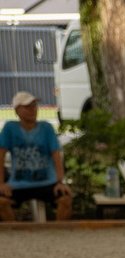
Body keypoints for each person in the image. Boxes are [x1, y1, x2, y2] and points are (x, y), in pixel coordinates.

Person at [0, 91, 72, 222]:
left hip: (47, 182)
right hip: (18, 183)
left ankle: (60, 234)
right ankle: (14, 234)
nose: (32, 110)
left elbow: (56, 155)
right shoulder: (10, 128)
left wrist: (60, 181)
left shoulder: (47, 128)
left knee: (65, 198)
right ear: (17, 110)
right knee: (2, 201)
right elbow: (1, 155)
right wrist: (1, 183)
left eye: (34, 106)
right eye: (27, 107)